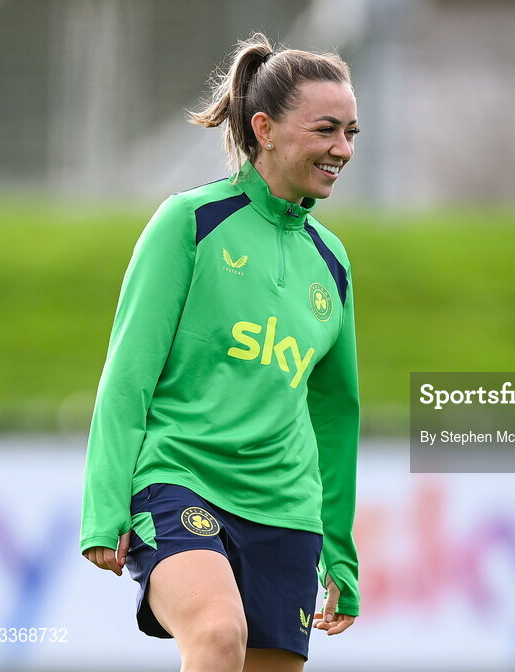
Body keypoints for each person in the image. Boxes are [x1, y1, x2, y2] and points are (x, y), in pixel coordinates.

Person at [80, 33, 361, 672]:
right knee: (216, 634)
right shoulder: (190, 222)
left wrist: (339, 554)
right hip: (181, 480)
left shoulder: (333, 262)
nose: (342, 149)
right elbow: (129, 373)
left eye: (351, 132)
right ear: (264, 128)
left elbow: (336, 416)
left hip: (286, 509)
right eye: (325, 130)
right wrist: (104, 507)